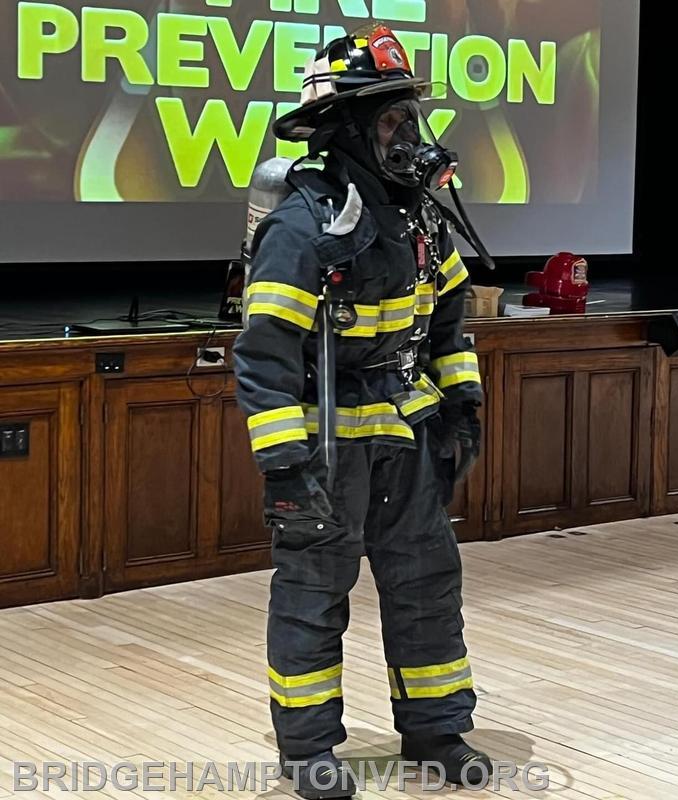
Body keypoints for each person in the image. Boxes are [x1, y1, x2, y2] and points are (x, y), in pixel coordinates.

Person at [234, 23, 490, 800]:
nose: (408, 135)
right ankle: (308, 749)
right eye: (390, 120)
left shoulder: (417, 222)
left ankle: (437, 729)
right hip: (327, 451)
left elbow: (448, 324)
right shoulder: (301, 229)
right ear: (345, 131)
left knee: (427, 584)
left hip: (406, 437)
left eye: (409, 117)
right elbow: (264, 358)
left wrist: (463, 406)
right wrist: (283, 466)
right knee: (314, 595)